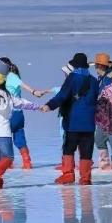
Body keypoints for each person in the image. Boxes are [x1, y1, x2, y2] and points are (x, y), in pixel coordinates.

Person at [41, 53, 99, 186]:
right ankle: (85, 178)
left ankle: (68, 175)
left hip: (73, 121)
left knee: (69, 148)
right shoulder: (94, 81)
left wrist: (49, 105)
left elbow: (62, 95)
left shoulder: (72, 77)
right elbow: (96, 99)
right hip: (89, 122)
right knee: (86, 150)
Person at [0, 57, 47, 169]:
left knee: (4, 138)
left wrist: (34, 92)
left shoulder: (9, 77)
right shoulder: (10, 77)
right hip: (19, 114)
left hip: (8, 114)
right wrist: (35, 93)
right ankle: (27, 161)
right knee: (19, 137)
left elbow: (24, 86)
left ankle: (7, 163)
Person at [91, 52, 112, 171]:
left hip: (109, 115)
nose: (95, 67)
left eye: (96, 65)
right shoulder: (101, 78)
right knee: (100, 139)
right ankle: (106, 164)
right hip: (102, 115)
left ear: (99, 66)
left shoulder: (109, 79)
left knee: (109, 140)